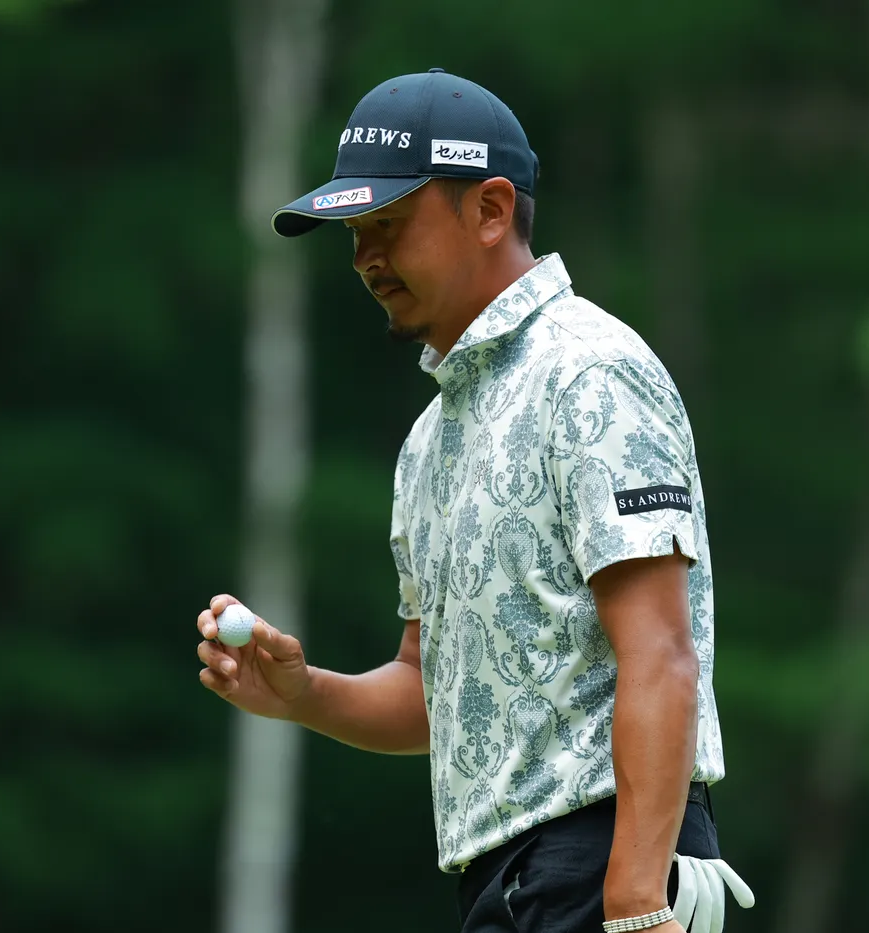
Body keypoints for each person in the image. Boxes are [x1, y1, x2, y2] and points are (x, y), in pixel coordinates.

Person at [196, 68, 754, 933]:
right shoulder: (430, 440)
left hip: (609, 865)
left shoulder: (591, 373)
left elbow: (662, 653)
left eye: (389, 223)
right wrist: (305, 694)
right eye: (355, 233)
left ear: (491, 210)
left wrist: (637, 905)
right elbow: (435, 689)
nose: (365, 257)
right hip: (511, 883)